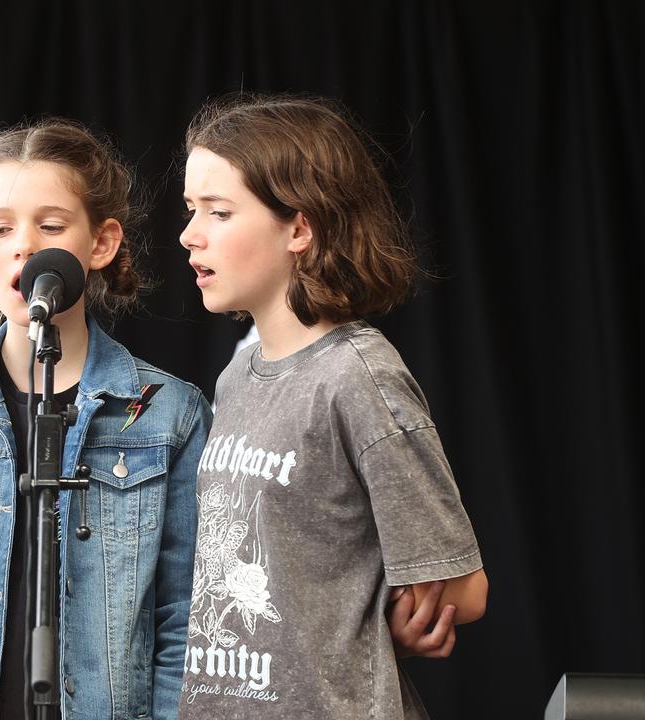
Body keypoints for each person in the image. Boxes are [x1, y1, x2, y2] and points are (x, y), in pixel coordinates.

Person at [0, 119, 212, 720]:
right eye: (1, 228)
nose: (25, 245)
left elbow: (184, 620)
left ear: (101, 244)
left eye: (51, 226)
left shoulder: (171, 413)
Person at [176, 93, 488, 718]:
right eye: (191, 210)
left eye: (219, 212)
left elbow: (462, 586)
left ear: (299, 227)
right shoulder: (237, 374)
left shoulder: (356, 376)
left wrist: (383, 613)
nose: (189, 235)